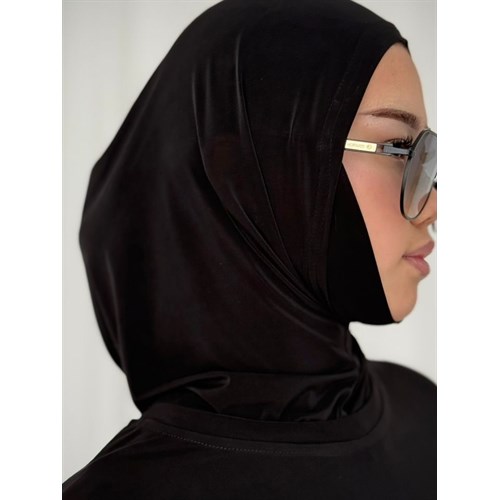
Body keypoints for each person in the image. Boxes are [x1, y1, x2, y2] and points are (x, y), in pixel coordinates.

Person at [63, 0, 437, 498]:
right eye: (400, 148)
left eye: (428, 155)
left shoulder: (431, 417)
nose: (433, 204)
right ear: (251, 178)